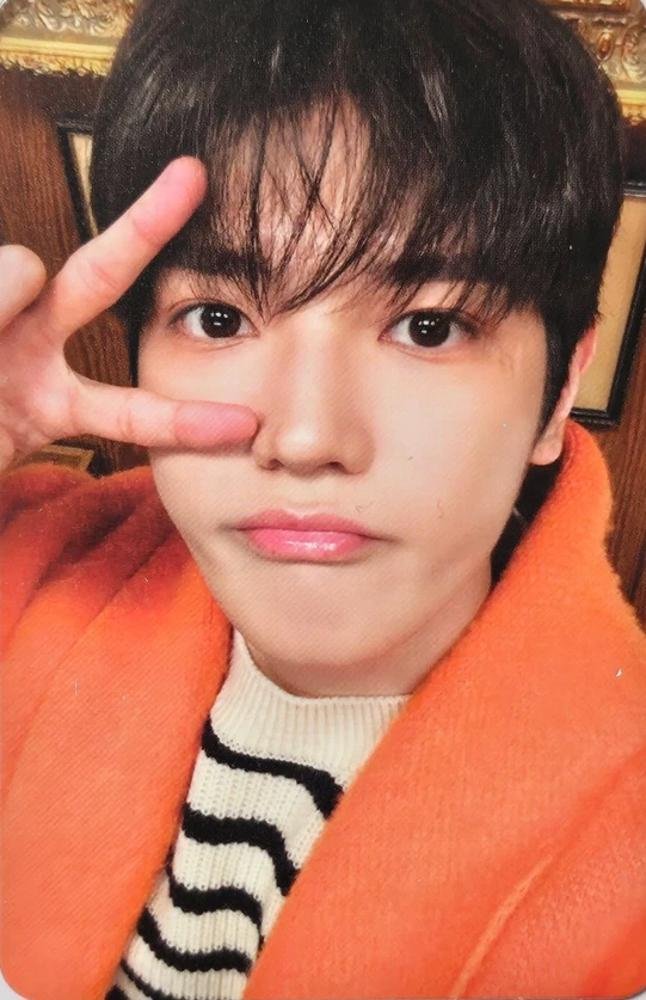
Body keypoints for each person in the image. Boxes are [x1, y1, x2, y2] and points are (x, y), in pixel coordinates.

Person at [1, 0, 645, 997]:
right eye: (219, 318)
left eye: (429, 327)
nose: (305, 439)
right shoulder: (30, 574)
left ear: (558, 390)